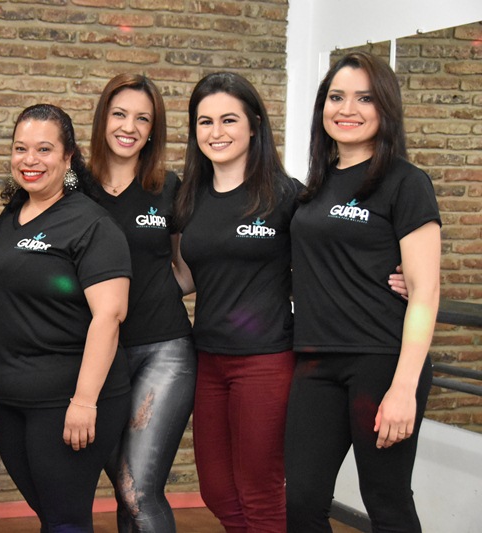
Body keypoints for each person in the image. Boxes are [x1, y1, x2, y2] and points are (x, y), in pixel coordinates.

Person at [285, 51, 441, 532]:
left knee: (385, 499)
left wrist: (403, 388)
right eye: (336, 97)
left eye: (364, 98)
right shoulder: (315, 185)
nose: (347, 109)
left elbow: (425, 291)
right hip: (315, 361)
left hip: (380, 360)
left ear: (385, 108)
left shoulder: (406, 183)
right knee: (302, 500)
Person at [0, 104, 132, 532]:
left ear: (68, 157)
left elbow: (109, 315)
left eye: (44, 149)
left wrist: (84, 401)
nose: (30, 160)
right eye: (20, 148)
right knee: (52, 516)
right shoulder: (12, 216)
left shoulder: (92, 224)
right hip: (12, 398)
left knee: (66, 520)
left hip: (68, 400)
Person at [173, 72, 300, 532]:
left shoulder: (286, 195)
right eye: (205, 122)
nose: (216, 132)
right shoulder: (189, 198)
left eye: (229, 119)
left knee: (260, 491)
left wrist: (395, 276)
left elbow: (327, 257)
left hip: (265, 360)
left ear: (254, 125)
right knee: (218, 491)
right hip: (208, 359)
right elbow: (185, 277)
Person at [88, 74, 195, 532]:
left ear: (153, 130)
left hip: (163, 348)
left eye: (142, 119)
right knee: (124, 487)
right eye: (119, 114)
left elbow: (187, 268)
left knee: (138, 489)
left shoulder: (168, 187)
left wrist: (155, 291)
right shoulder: (74, 185)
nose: (129, 127)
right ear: (102, 119)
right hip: (97, 355)